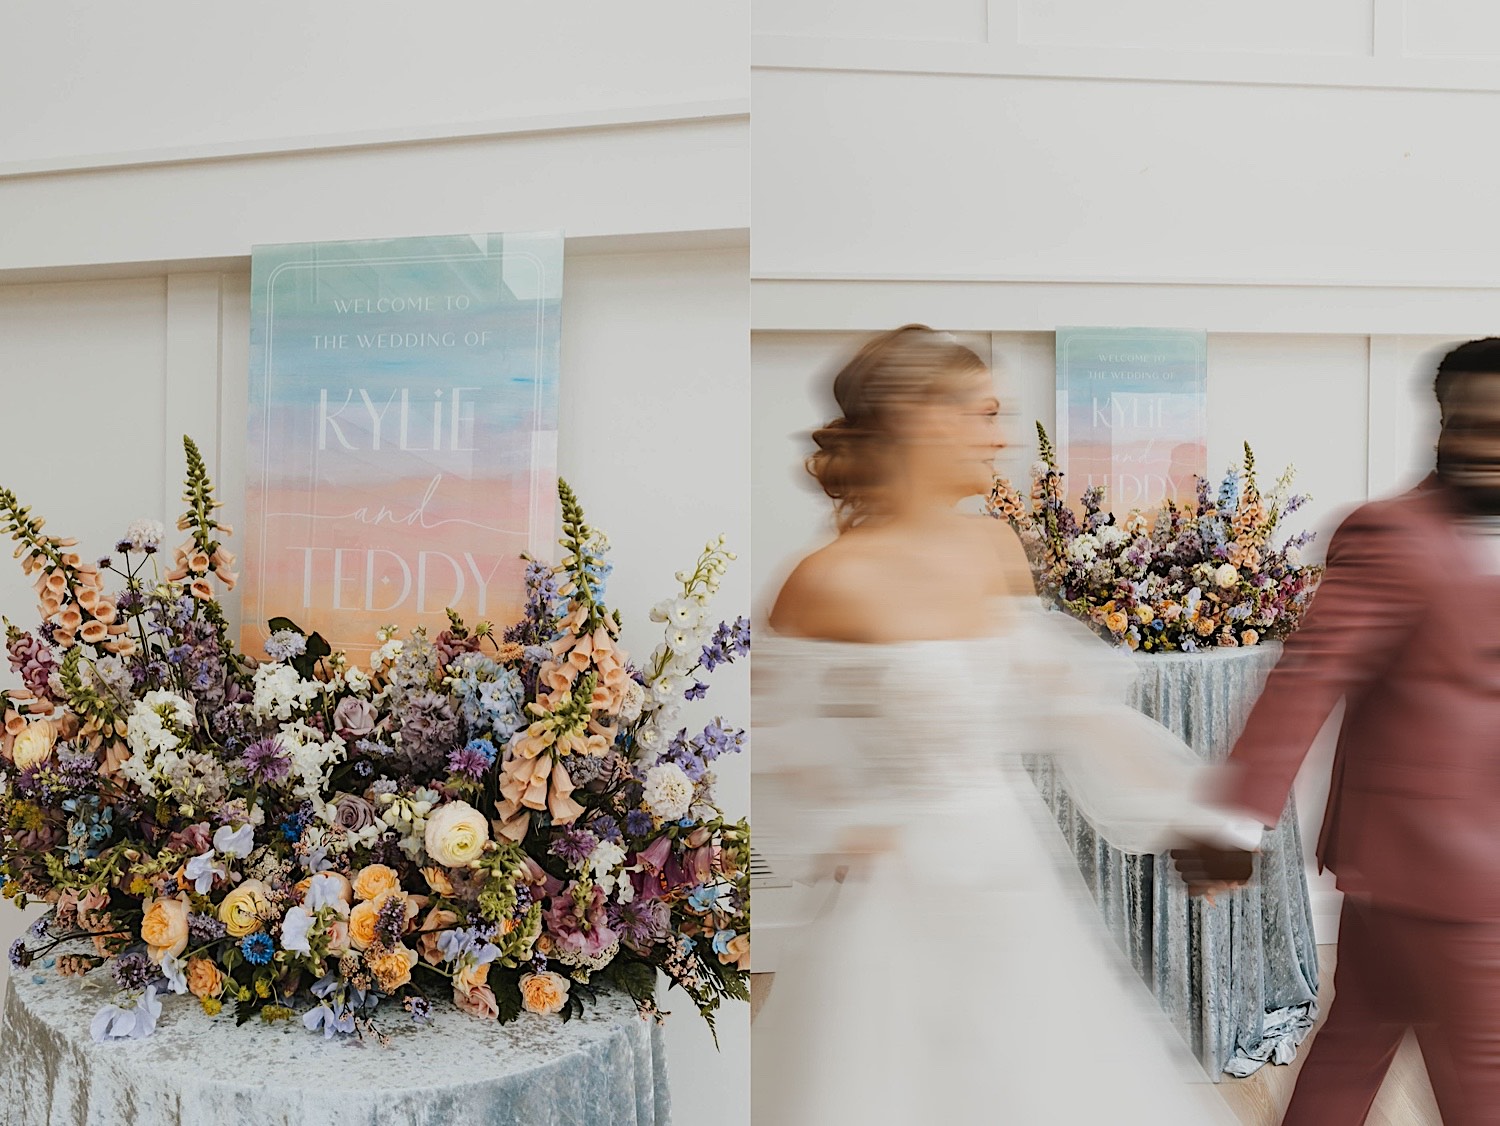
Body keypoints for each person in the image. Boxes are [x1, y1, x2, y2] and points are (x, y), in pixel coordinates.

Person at [751, 325, 1244, 1124]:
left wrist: (1191, 811)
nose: (1002, 434)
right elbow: (771, 742)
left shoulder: (993, 546)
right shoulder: (823, 581)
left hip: (1010, 870)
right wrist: (849, 828)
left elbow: (1071, 706)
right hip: (895, 903)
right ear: (919, 417)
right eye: (984, 412)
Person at [1172, 337, 1500, 1126]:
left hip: (1407, 871)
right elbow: (1306, 678)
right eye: (1469, 421)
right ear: (1440, 423)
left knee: (1357, 1039)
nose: (1481, 444)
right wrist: (1237, 817)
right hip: (1448, 871)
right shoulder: (1392, 534)